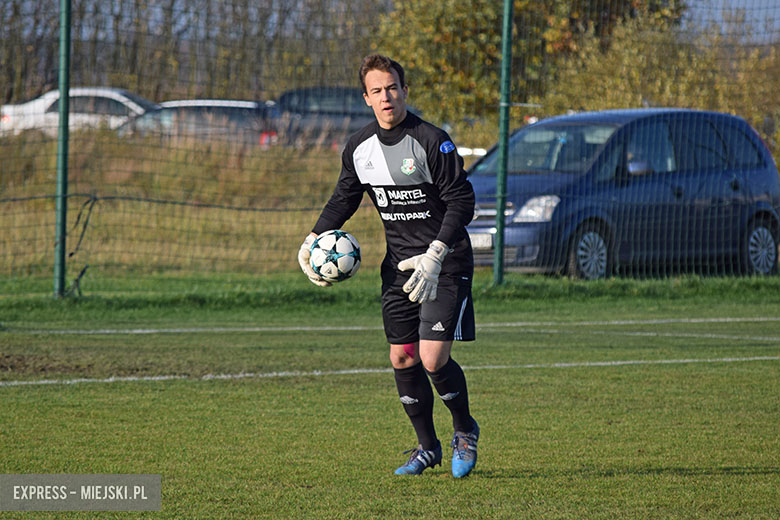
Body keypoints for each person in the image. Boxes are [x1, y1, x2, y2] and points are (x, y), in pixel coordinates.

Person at [297, 54, 479, 478]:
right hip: (399, 268)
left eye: (392, 87)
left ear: (405, 90)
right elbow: (345, 196)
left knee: (433, 359)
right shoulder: (359, 148)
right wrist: (311, 239)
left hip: (445, 264)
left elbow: (461, 201)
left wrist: (436, 253)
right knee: (402, 358)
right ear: (366, 98)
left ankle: (464, 430)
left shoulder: (433, 141)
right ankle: (427, 447)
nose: (386, 97)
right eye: (377, 91)